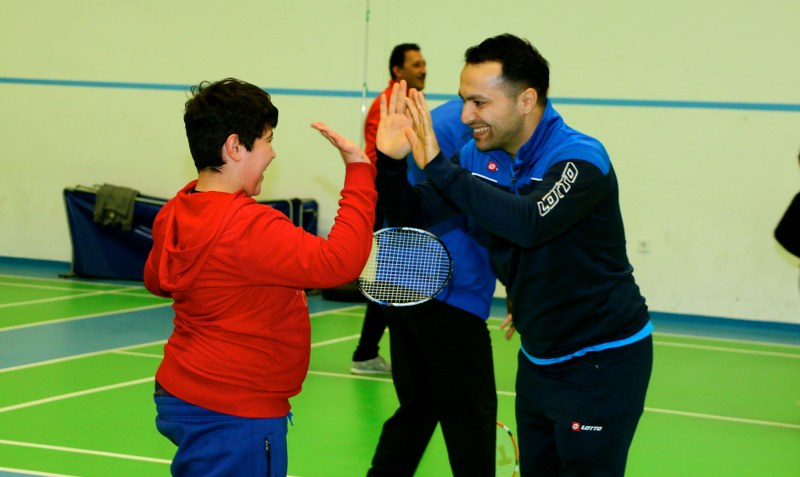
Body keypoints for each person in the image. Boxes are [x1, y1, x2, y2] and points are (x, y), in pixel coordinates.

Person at [376, 34, 653, 477]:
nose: (466, 116)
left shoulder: (579, 158)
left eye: (479, 103)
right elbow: (411, 213)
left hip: (602, 360)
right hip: (539, 357)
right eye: (465, 101)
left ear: (526, 100)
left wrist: (440, 167)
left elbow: (528, 222)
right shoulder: (479, 155)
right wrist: (389, 163)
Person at [143, 78, 377, 476]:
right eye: (267, 140)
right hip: (234, 410)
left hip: (183, 393)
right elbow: (339, 262)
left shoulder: (178, 210)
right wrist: (358, 172)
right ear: (235, 147)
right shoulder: (250, 224)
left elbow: (157, 280)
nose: (272, 153)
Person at [366, 98, 498, 477]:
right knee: (470, 419)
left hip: (402, 286)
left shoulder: (440, 118)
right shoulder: (472, 130)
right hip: (447, 290)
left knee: (419, 407)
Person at [351, 43, 427, 375]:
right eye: (416, 64)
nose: (423, 69)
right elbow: (378, 159)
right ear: (398, 70)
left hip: (404, 198)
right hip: (387, 201)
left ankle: (368, 352)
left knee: (397, 279)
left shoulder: (413, 103)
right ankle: (365, 353)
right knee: (390, 280)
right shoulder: (387, 105)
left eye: (424, 63)